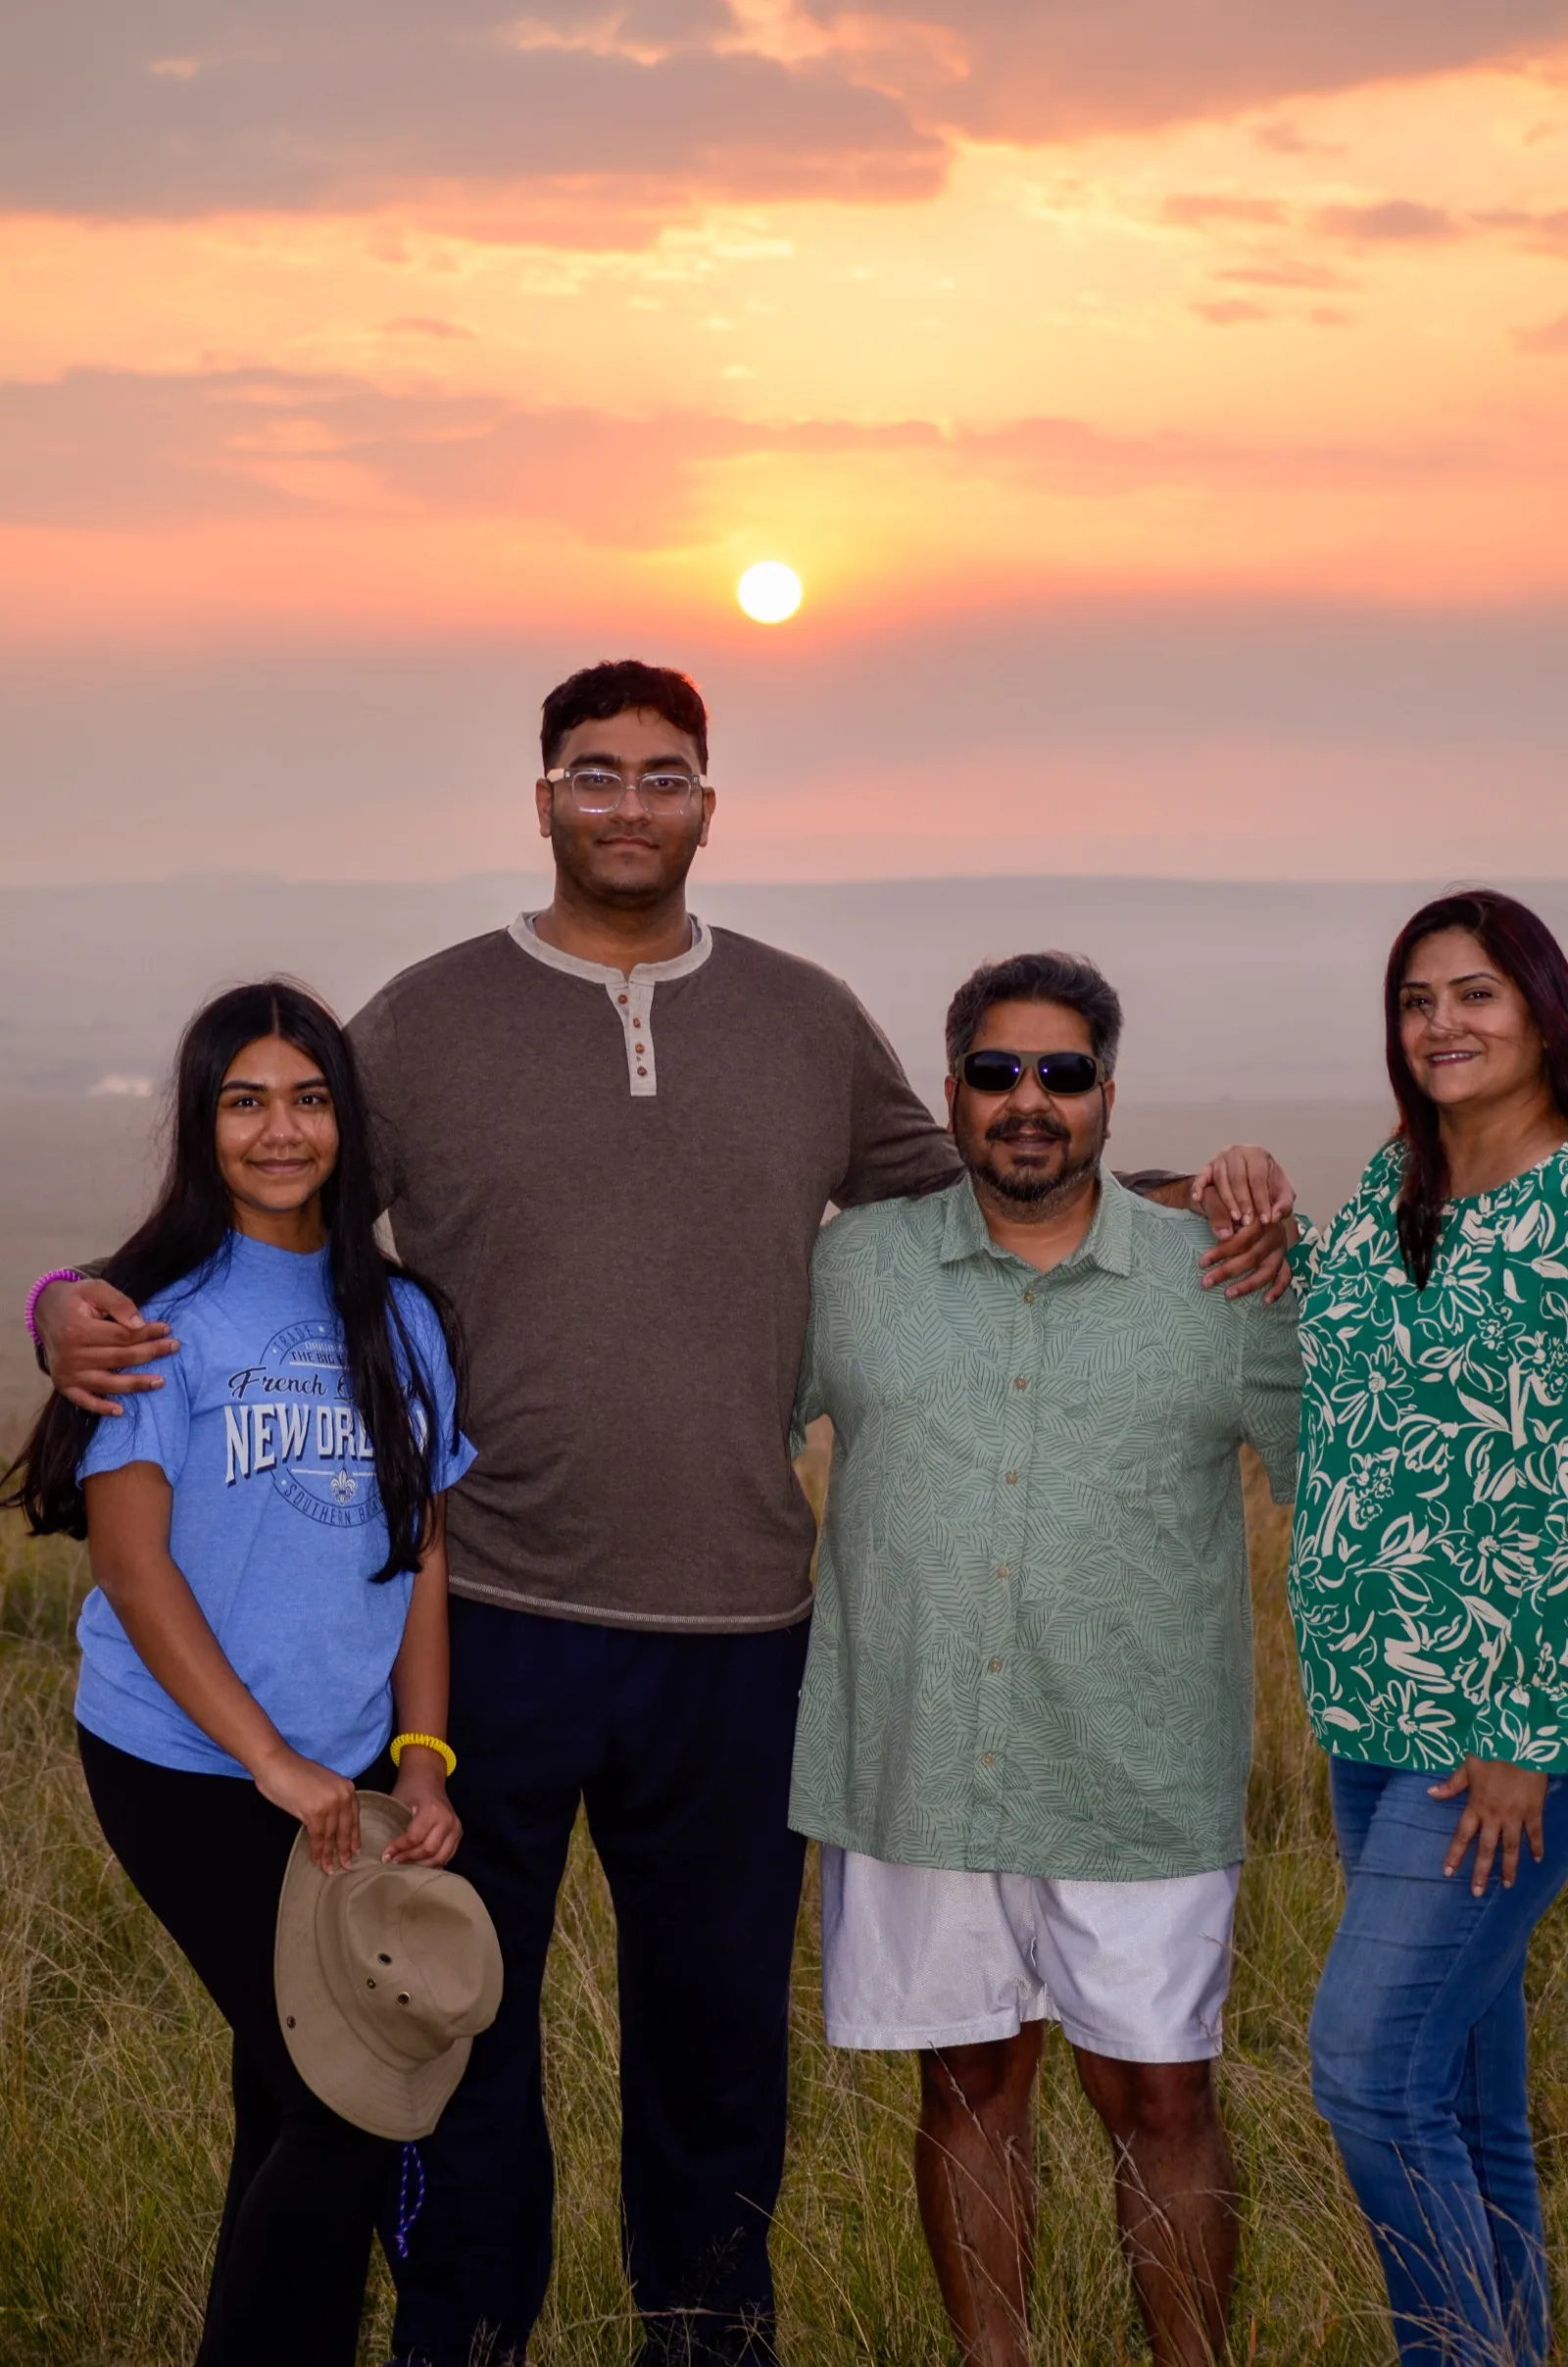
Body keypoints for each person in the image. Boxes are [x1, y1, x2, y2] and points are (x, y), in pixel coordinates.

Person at [28, 662, 1290, 2367]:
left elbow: (990, 1187)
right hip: (498, 1629)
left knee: (714, 2065)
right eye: (595, 773)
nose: (630, 802)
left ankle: (709, 2339)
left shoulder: (804, 1015)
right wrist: (60, 1295)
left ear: (711, 800)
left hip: (740, 1637)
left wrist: (1194, 1189)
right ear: (541, 799)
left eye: (665, 774)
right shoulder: (425, 1018)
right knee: (461, 2038)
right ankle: (466, 2338)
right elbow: (273, 1192)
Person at [788, 950, 1302, 2367]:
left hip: (1136, 1778)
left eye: (1063, 1074)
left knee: (1165, 2102)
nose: (1031, 1101)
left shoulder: (1226, 1275)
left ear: (1109, 1096)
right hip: (921, 1766)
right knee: (963, 2089)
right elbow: (733, 1428)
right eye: (997, 1071)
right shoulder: (852, 1268)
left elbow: (1348, 1479)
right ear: (947, 1088)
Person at [3, 981, 473, 2367]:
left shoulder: (404, 1317)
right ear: (203, 1124)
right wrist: (273, 1761)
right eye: (247, 1098)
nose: (283, 1128)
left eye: (310, 1096)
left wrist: (424, 1755)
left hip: (341, 1767)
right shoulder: (152, 1318)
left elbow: (423, 1554)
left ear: (347, 1119)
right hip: (188, 1764)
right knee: (345, 2098)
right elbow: (135, 1569)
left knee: (286, 2101)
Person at [1277, 889, 1568, 2367]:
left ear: (1540, 1008)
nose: (1443, 1023)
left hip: (1494, 1734)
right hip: (1369, 1714)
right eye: (1416, 1000)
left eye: (1477, 993)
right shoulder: (1402, 1184)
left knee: (1370, 2073)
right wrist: (1261, 1229)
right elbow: (1330, 1339)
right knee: (1464, 2100)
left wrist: (1526, 1730)